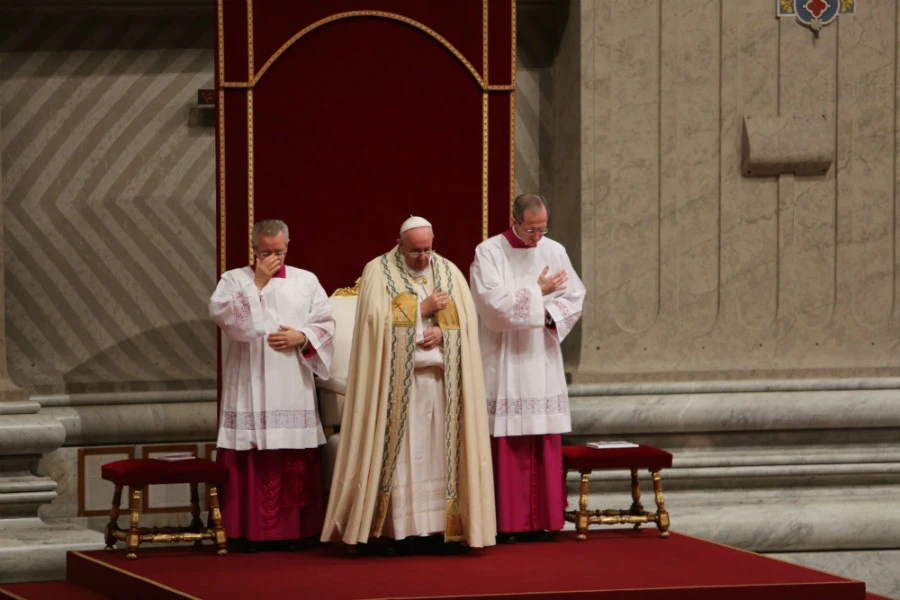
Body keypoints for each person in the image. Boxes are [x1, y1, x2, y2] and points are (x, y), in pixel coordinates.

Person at [320, 216, 496, 553]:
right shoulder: (378, 272)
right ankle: (392, 531)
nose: (423, 258)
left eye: (428, 249)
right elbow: (374, 324)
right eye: (415, 251)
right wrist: (421, 312)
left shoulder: (448, 272)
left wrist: (444, 332)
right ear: (400, 245)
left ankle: (438, 530)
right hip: (393, 388)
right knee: (401, 459)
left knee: (437, 457)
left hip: (441, 384)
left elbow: (469, 324)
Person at [209, 218, 335, 552]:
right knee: (250, 453)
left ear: (288, 245)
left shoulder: (305, 280)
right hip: (250, 381)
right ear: (254, 248)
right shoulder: (235, 280)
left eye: (278, 251)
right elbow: (233, 324)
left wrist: (302, 335)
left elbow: (325, 323)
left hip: (292, 381)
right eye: (266, 252)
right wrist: (258, 284)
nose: (273, 258)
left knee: (293, 454)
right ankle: (245, 530)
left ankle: (296, 531)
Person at [469, 193, 585, 543]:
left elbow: (575, 296)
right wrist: (537, 291)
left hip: (541, 357)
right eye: (531, 229)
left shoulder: (555, 250)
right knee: (507, 439)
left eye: (542, 229)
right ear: (514, 221)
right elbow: (492, 306)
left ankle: (546, 519)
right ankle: (509, 523)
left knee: (543, 435)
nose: (537, 237)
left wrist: (549, 313)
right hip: (503, 359)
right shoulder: (488, 252)